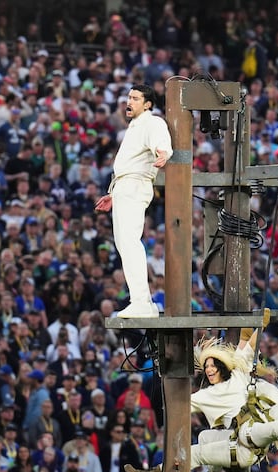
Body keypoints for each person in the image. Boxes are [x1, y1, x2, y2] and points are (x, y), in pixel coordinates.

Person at [124, 320, 278, 472]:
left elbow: (248, 344)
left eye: (213, 365)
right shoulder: (206, 395)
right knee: (203, 437)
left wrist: (260, 324)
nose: (209, 370)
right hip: (244, 439)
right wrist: (165, 374)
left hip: (259, 426)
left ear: (222, 366)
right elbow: (177, 408)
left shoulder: (238, 375)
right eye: (206, 367)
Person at [94, 84, 172, 318]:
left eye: (136, 98)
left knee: (129, 242)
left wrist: (163, 153)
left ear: (147, 104)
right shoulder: (134, 126)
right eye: (129, 97)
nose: (130, 101)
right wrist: (114, 192)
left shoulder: (152, 121)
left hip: (135, 185)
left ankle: (140, 301)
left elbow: (161, 142)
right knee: (125, 244)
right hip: (124, 187)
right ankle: (143, 303)